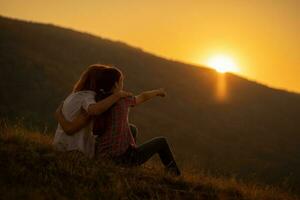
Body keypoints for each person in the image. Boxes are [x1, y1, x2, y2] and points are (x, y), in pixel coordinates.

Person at [56, 66, 181, 176]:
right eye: (121, 81)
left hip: (102, 156)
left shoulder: (98, 99)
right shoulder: (123, 100)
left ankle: (130, 162)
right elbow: (143, 96)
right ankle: (173, 173)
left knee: (132, 128)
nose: (122, 84)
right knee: (161, 141)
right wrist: (158, 92)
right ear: (116, 84)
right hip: (121, 159)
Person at [53, 64, 132, 158]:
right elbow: (70, 129)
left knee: (129, 128)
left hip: (62, 145)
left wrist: (58, 115)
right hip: (74, 150)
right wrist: (118, 95)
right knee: (130, 129)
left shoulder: (75, 95)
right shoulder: (88, 98)